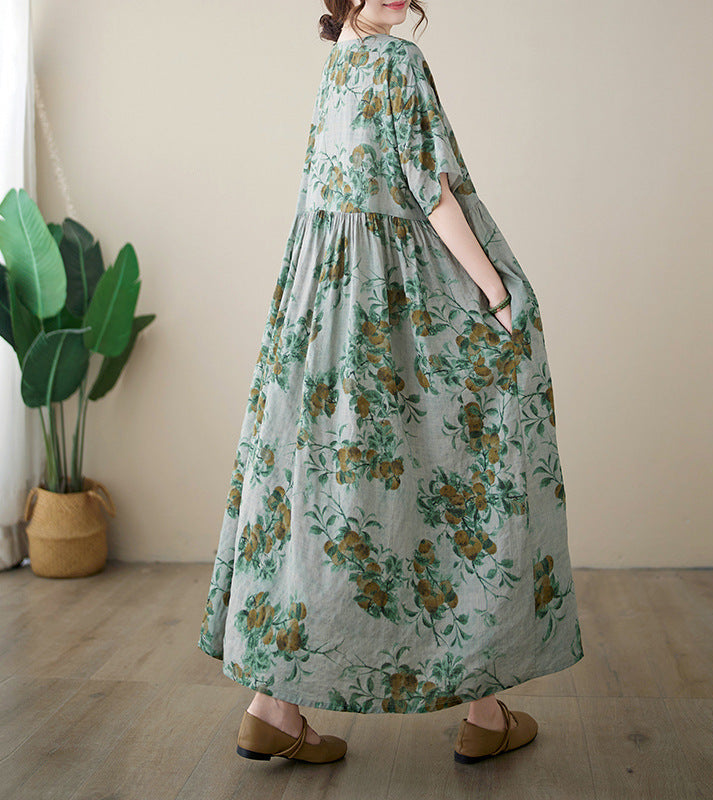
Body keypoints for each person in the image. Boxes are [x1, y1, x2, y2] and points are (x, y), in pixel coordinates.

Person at [197, 0, 584, 766]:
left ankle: (273, 705)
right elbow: (432, 190)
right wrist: (496, 293)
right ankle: (482, 711)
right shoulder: (396, 61)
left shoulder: (336, 66)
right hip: (386, 304)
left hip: (316, 304)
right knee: (451, 475)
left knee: (318, 490)